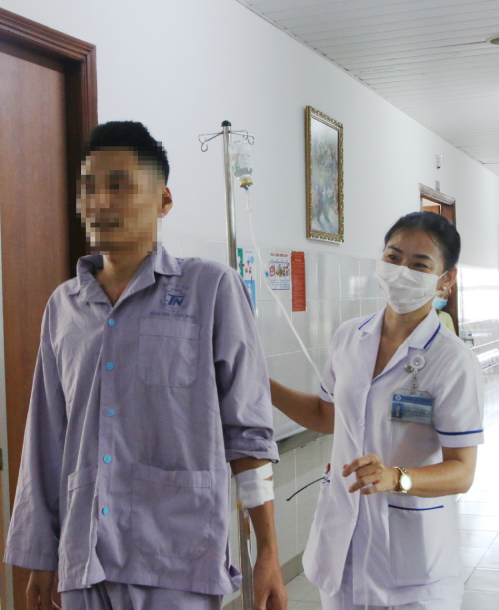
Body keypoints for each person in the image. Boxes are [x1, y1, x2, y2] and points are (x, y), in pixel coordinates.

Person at [4, 121, 287, 610]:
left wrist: (268, 552)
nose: (100, 203)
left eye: (120, 186)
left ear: (163, 200)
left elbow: (248, 432)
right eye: (88, 188)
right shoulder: (64, 306)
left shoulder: (210, 290)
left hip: (178, 557)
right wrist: (40, 555)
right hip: (84, 556)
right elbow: (46, 439)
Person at [270, 211, 484, 610]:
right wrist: (263, 386)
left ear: (446, 279)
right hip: (341, 553)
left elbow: (462, 471)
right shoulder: (349, 336)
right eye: (393, 257)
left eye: (419, 265)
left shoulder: (453, 360)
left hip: (413, 566)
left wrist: (395, 478)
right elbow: (326, 415)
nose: (402, 272)